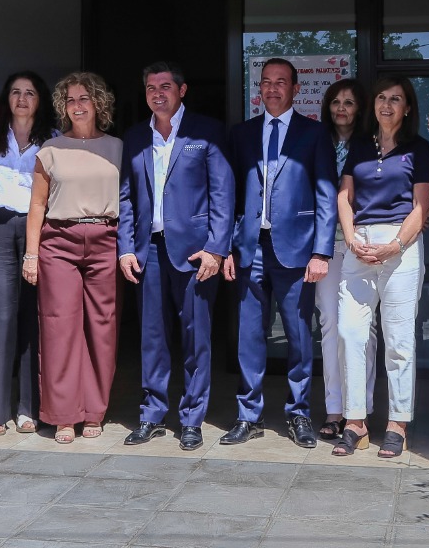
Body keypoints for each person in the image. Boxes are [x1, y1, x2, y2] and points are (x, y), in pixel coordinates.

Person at [118, 61, 235, 451]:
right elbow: (126, 198)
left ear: (182, 91)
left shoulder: (206, 131)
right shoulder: (135, 136)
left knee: (195, 336)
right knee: (152, 337)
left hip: (195, 251)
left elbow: (222, 194)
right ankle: (151, 414)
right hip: (148, 250)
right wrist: (125, 248)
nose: (158, 94)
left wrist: (217, 248)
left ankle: (191, 418)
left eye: (165, 86)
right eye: (151, 88)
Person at [221, 58, 336, 448]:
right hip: (249, 247)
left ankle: (298, 412)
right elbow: (230, 194)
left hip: (297, 249)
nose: (272, 88)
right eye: (266, 82)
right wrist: (227, 247)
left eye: (280, 82)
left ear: (295, 89)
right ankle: (248, 415)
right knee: (249, 336)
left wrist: (321, 252)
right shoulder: (242, 134)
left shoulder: (314, 134)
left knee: (299, 335)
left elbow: (325, 195)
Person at [21, 72, 123, 444]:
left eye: (84, 98)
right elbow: (37, 205)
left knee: (102, 328)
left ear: (98, 103)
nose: (77, 106)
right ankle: (64, 415)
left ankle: (94, 411)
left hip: (105, 239)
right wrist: (31, 255)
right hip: (58, 243)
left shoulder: (117, 147)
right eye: (70, 100)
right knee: (59, 328)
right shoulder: (50, 149)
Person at [334, 75, 429, 459]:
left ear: (407, 108)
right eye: (381, 98)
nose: (386, 105)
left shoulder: (418, 148)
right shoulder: (359, 145)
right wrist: (350, 237)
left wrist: (395, 245)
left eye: (395, 99)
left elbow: (421, 206)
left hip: (400, 247)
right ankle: (355, 422)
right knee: (349, 334)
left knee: (399, 340)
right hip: (358, 246)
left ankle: (397, 423)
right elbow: (345, 197)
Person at [0, 71, 53, 436]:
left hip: (38, 233)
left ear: (40, 101)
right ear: (6, 99)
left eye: (30, 93)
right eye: (15, 92)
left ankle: (29, 408)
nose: (22, 99)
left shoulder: (53, 141)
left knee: (31, 319)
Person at [315, 77, 376, 442]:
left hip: (363, 244)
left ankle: (360, 409)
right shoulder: (317, 140)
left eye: (349, 102)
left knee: (361, 328)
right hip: (326, 245)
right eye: (336, 102)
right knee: (330, 325)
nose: (341, 108)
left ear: (360, 108)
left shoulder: (373, 144)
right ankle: (335, 408)